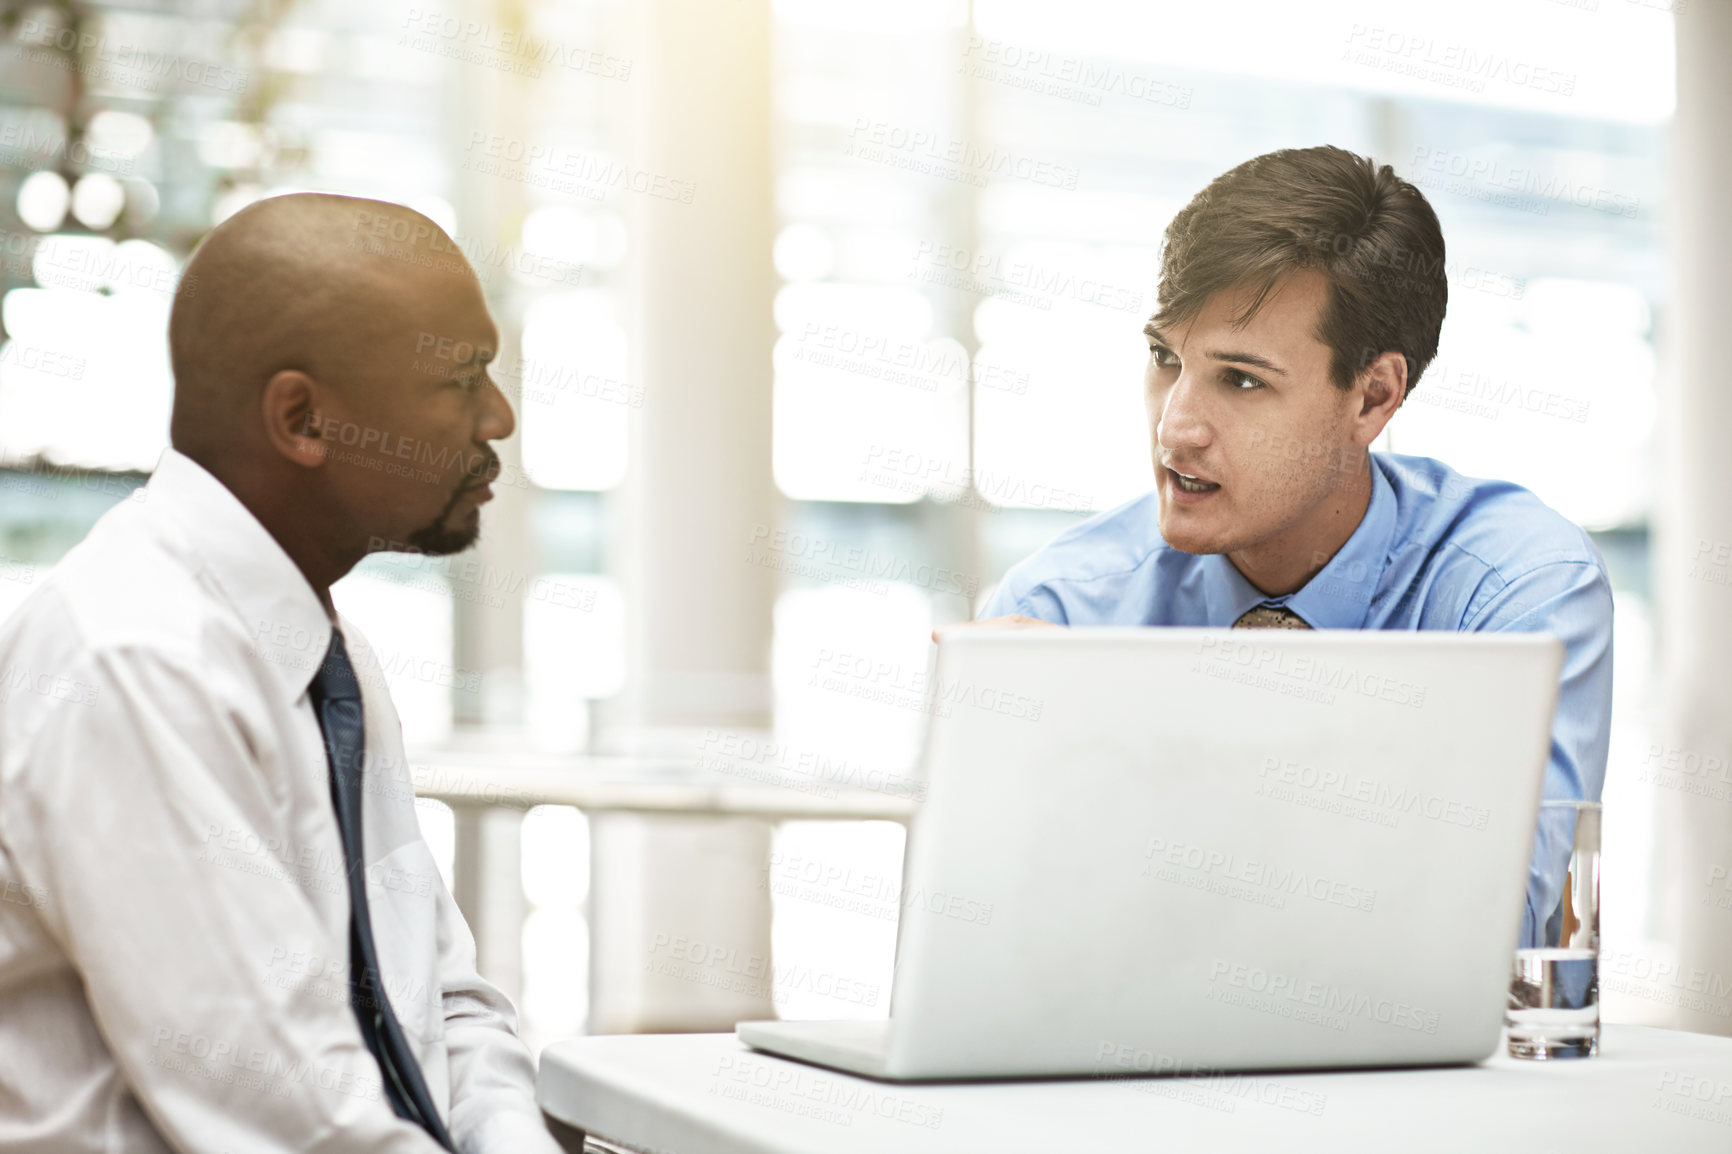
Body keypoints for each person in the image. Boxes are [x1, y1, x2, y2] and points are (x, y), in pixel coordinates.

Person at [0, 193, 568, 1152]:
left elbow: (444, 1005)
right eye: (463, 379)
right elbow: (298, 1124)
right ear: (303, 419)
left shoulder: (314, 648)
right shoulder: (138, 660)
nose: (500, 418)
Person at [967, 146, 1612, 946]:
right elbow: (999, 945)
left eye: (1241, 380)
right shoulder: (1059, 609)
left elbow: (1491, 929)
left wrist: (1136, 730)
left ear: (1373, 396)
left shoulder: (1516, 589)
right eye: (1167, 360)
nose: (1176, 427)